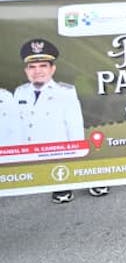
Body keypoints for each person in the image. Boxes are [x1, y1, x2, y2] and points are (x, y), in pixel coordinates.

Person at [14, 38, 100, 204]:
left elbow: (74, 126)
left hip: (60, 149)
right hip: (34, 152)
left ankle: (92, 180)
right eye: (32, 67)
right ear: (26, 70)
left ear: (52, 69)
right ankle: (58, 184)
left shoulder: (65, 91)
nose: (37, 71)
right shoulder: (20, 92)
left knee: (71, 162)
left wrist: (78, 151)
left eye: (43, 66)